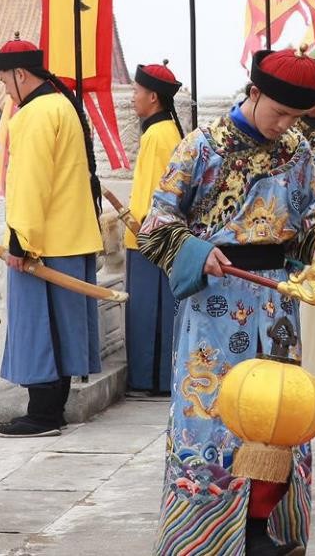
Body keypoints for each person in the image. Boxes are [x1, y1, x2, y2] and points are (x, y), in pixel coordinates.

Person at [138, 47, 315, 556]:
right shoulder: (200, 148)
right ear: (254, 93)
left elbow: (311, 225)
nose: (286, 125)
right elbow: (155, 226)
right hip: (215, 305)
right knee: (215, 418)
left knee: (280, 415)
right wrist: (195, 250)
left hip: (276, 301)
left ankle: (267, 531)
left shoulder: (298, 151)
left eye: (296, 116)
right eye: (279, 112)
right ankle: (207, 539)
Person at [0, 33, 104, 438]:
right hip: (70, 236)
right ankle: (49, 411)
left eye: (5, 80)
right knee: (62, 329)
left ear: (21, 74)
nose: (5, 89)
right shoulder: (62, 103)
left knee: (39, 327)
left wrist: (22, 239)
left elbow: (30, 181)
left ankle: (41, 414)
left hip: (45, 242)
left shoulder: (35, 114)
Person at [125, 60, 184, 395]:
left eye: (136, 91)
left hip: (149, 238)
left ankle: (152, 380)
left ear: (153, 97)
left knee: (151, 312)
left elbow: (152, 193)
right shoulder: (165, 131)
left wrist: (141, 230)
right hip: (161, 236)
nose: (132, 97)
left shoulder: (157, 136)